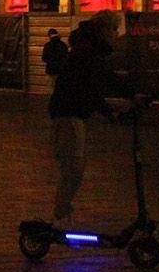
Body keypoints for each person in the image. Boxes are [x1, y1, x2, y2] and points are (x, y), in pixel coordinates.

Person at [46, 12, 134, 224]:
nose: (116, 35)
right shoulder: (88, 52)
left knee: (73, 165)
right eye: (114, 30)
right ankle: (61, 214)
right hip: (69, 114)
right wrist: (113, 108)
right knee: (73, 167)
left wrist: (123, 98)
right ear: (104, 31)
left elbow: (99, 80)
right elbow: (93, 84)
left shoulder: (87, 49)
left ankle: (62, 211)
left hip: (71, 113)